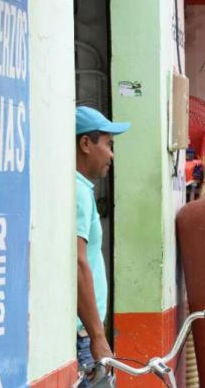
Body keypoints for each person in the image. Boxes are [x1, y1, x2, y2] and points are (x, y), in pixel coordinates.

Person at [75, 106, 131, 386]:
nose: (111, 154)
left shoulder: (81, 188)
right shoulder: (77, 192)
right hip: (82, 338)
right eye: (108, 144)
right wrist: (97, 336)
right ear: (86, 143)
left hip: (85, 334)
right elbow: (77, 262)